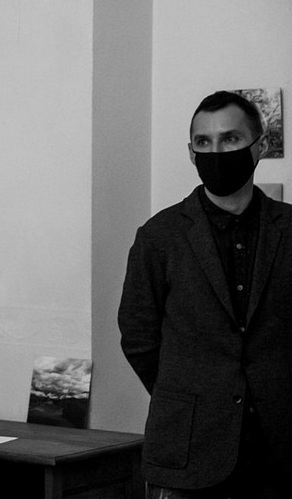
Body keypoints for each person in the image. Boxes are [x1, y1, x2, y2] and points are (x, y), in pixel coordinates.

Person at [118, 90, 292, 498]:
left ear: (260, 146)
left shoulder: (289, 229)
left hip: (280, 450)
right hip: (188, 452)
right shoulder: (159, 236)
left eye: (230, 139)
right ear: (191, 153)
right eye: (203, 142)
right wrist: (190, 391)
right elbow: (138, 337)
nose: (216, 152)